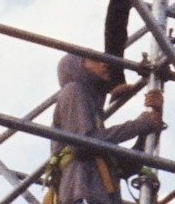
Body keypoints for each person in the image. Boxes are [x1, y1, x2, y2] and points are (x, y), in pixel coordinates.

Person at [46, 51, 162, 204]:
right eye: (94, 60)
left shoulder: (94, 116)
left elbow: (126, 167)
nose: (104, 63)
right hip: (81, 194)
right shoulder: (73, 90)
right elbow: (83, 144)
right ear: (77, 67)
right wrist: (138, 125)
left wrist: (151, 126)